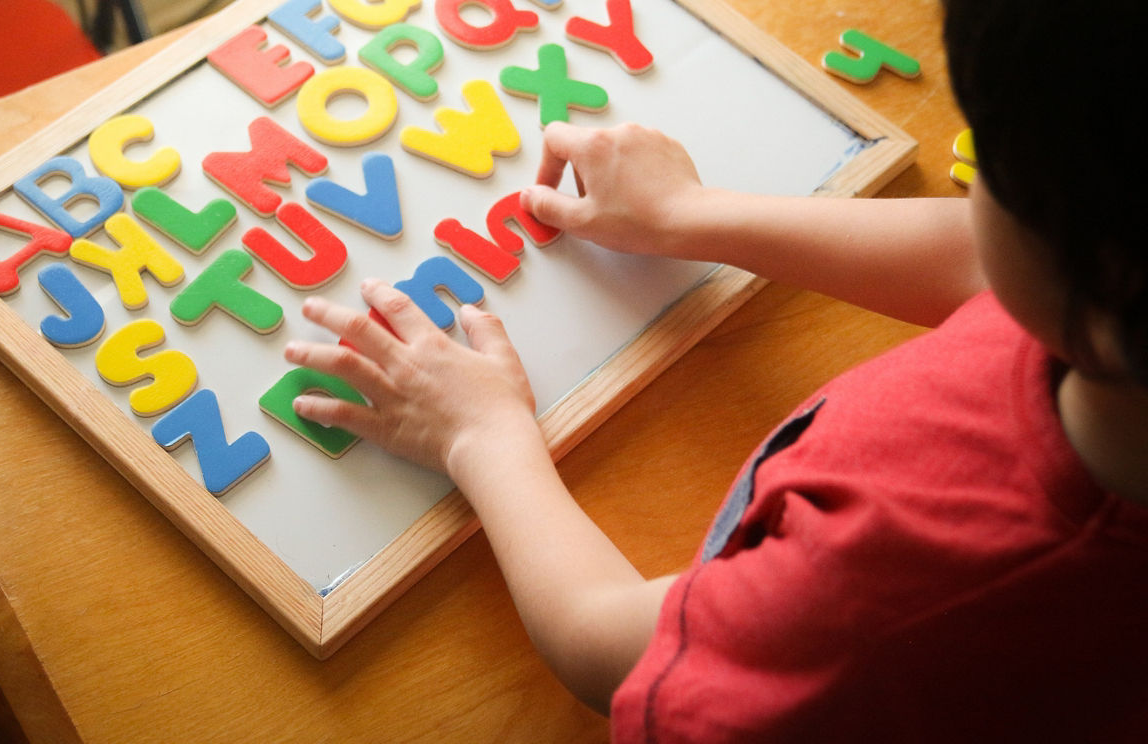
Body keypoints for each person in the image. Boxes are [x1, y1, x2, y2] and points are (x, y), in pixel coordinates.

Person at [282, 0, 1148, 738]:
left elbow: (611, 648)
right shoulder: (1111, 319)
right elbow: (978, 263)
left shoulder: (887, 593)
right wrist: (695, 214)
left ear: (1095, 267)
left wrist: (485, 437)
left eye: (991, 168)